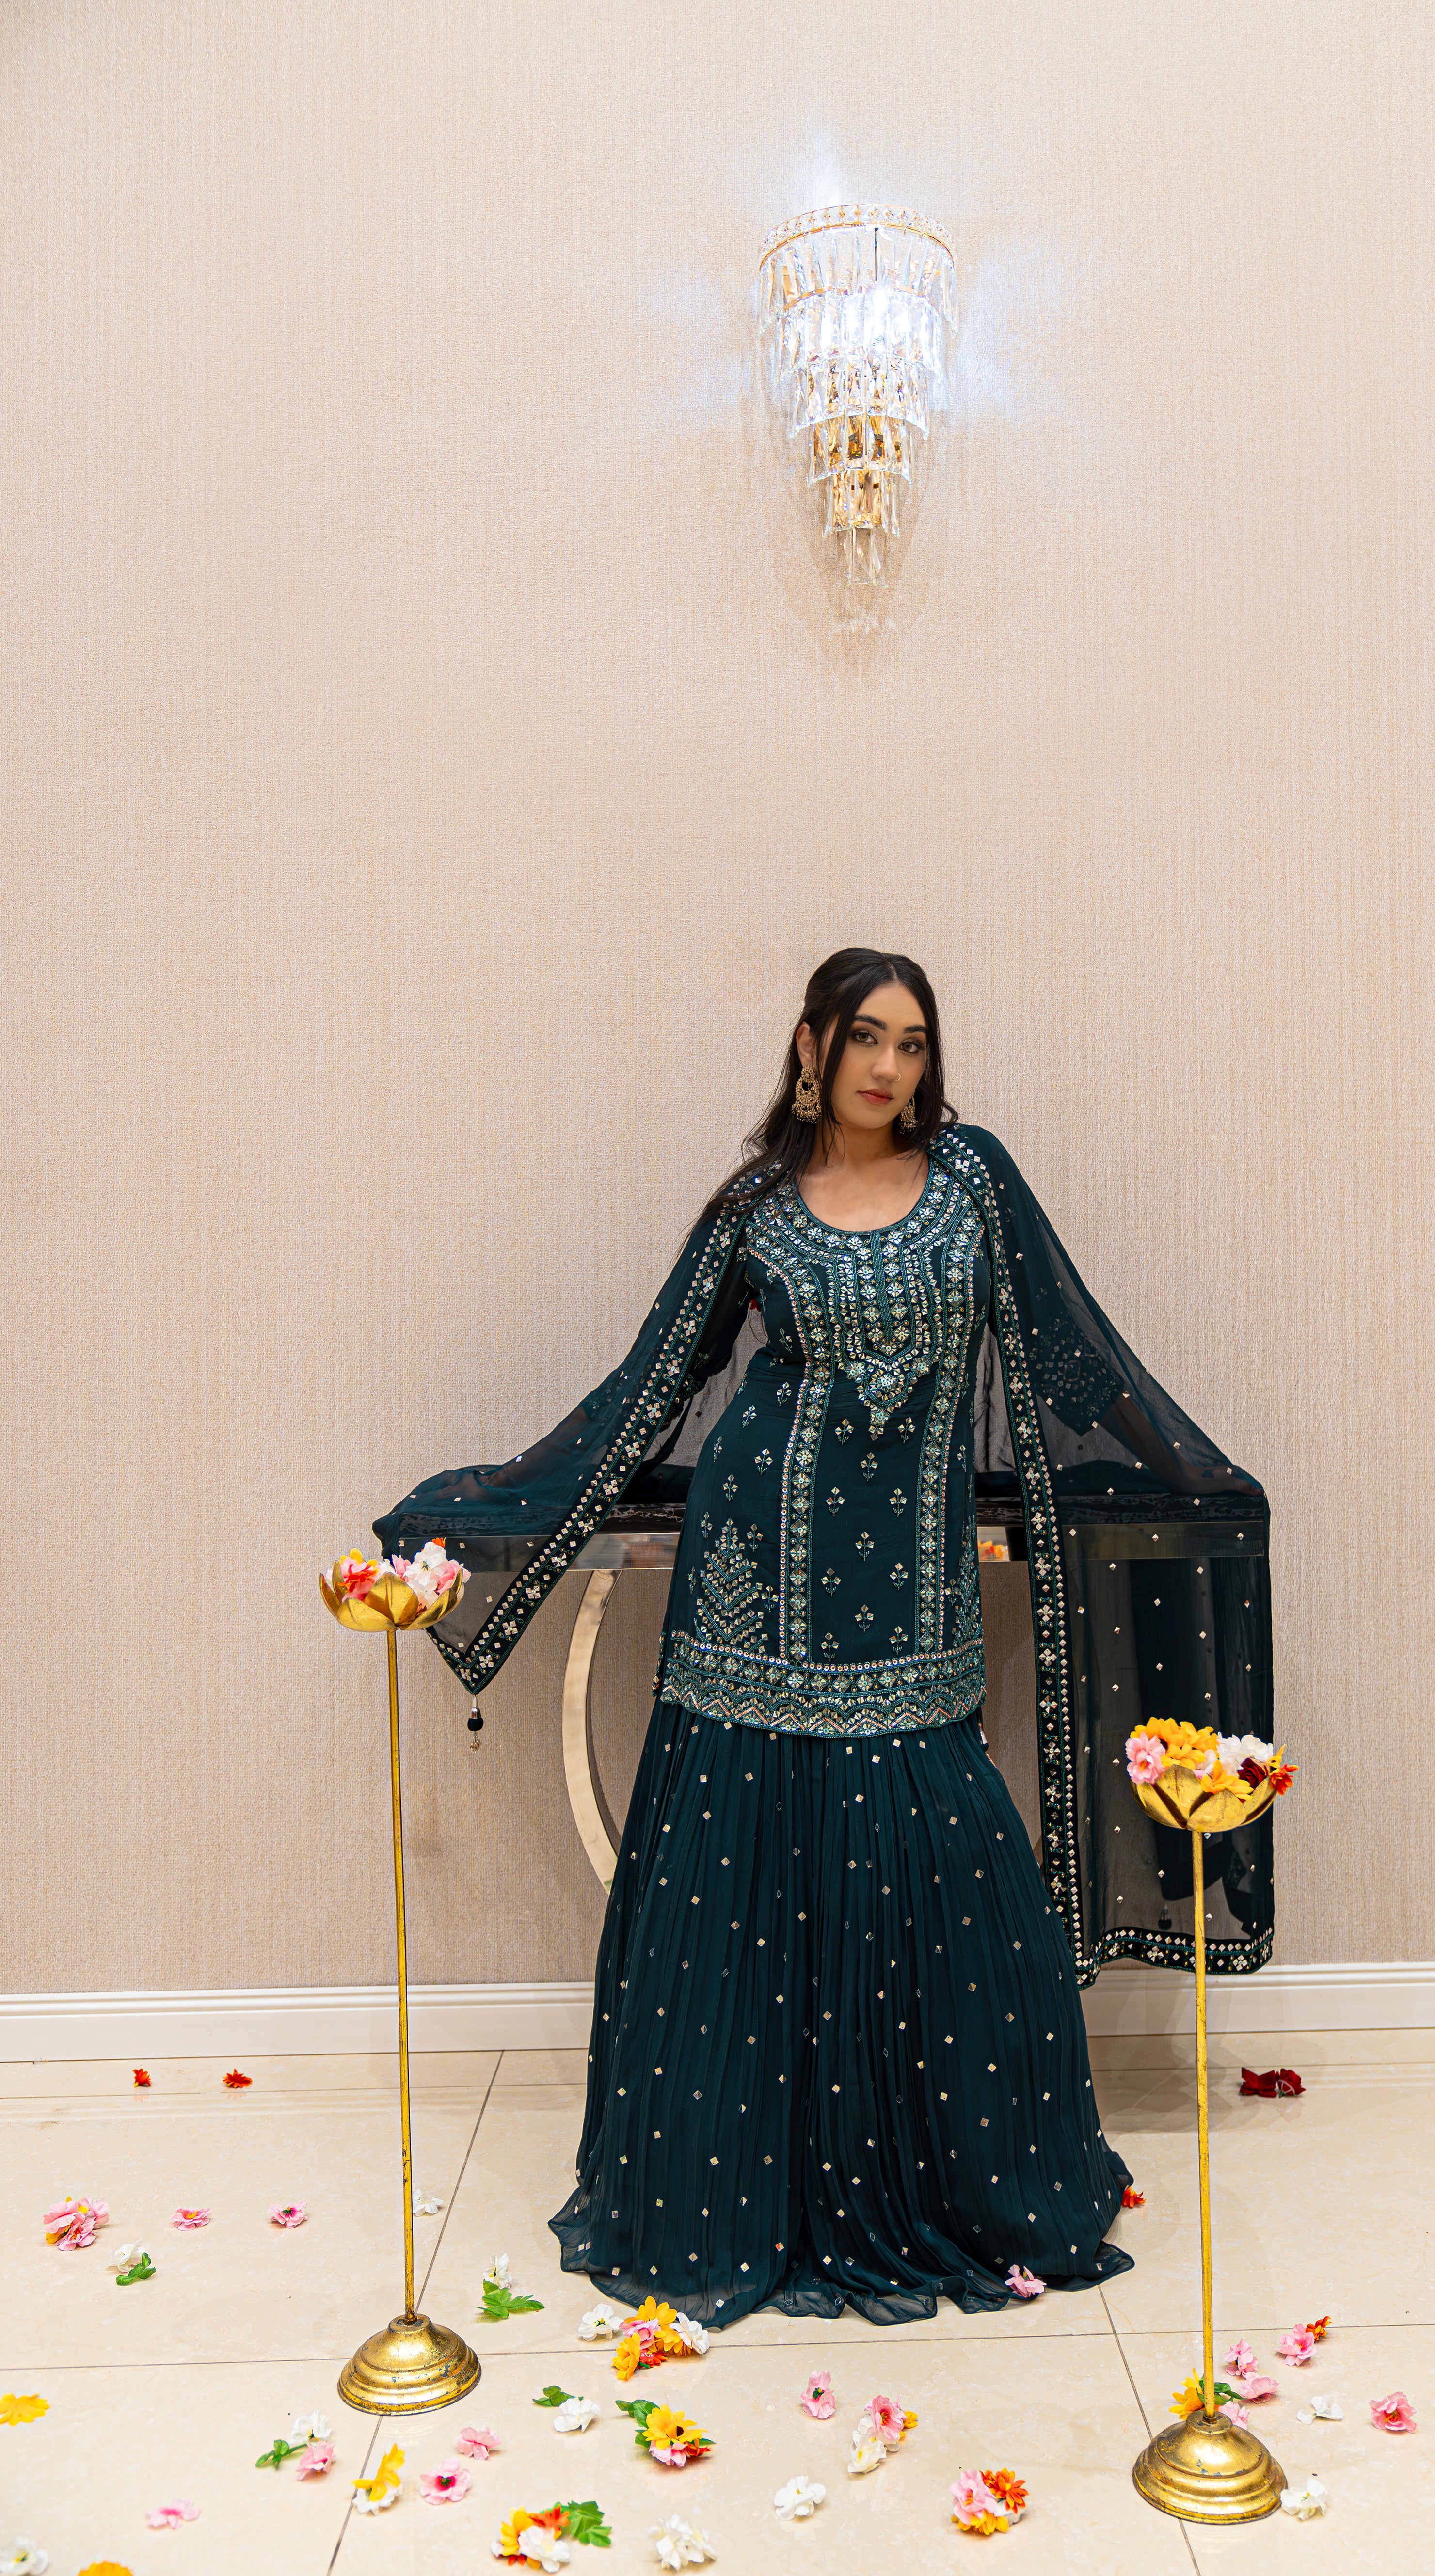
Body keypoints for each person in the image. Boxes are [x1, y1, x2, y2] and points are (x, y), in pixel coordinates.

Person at [375, 948, 1274, 2325]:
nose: (891, 1067)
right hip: (755, 1570)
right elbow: (661, 1375)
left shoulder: (975, 1180)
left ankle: (960, 2179)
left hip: (910, 1584)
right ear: (810, 1043)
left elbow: (1074, 1354)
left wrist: (1189, 1471)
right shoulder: (756, 1206)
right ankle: (727, 2189)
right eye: (867, 1037)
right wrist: (502, 1501)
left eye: (915, 1043)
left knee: (945, 1836)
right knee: (737, 1860)